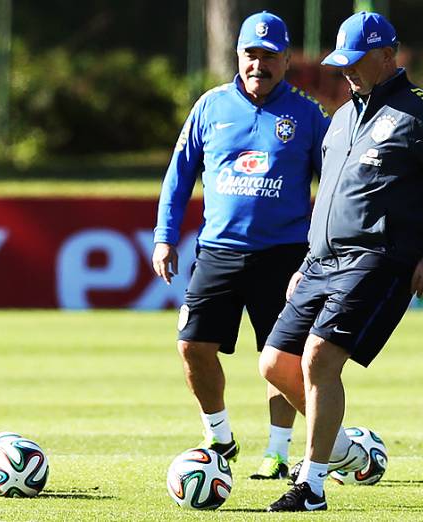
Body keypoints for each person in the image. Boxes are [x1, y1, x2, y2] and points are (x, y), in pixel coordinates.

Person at [259, 11, 423, 511]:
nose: (347, 71)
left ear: (389, 56)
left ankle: (312, 484)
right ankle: (344, 450)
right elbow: (332, 197)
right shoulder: (342, 115)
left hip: (379, 259)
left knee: (320, 358)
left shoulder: (421, 115)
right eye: (341, 62)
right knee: (275, 364)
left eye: (357, 61)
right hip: (321, 262)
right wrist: (308, 258)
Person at [152, 11, 329, 480]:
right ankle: (219, 436)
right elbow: (178, 176)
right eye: (252, 54)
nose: (259, 65)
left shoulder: (308, 115)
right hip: (218, 251)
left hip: (285, 255)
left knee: (281, 359)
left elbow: (332, 186)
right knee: (192, 345)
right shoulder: (210, 107)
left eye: (270, 57)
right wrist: (165, 236)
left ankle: (277, 451)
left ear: (287, 60)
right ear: (238, 56)